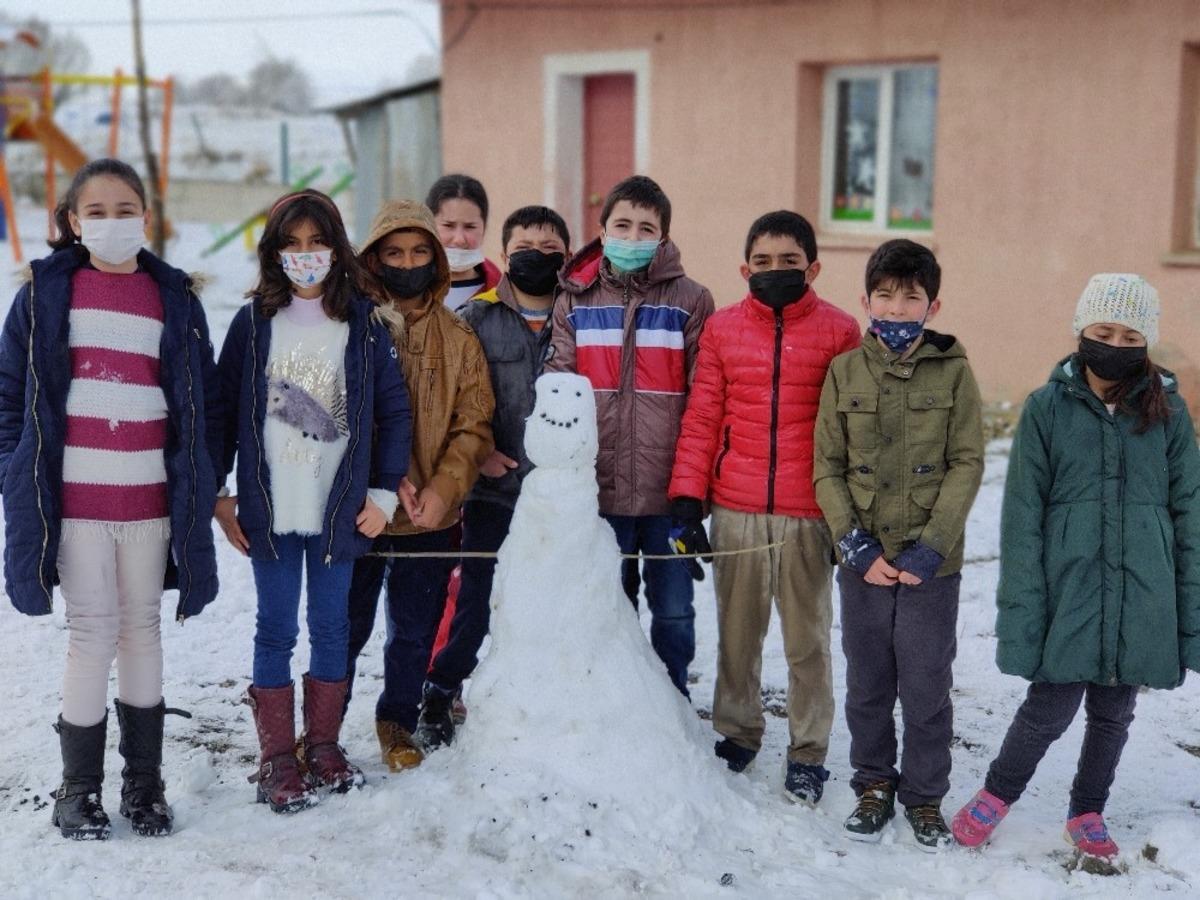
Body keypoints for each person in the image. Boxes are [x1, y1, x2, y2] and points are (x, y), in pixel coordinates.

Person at [0, 158, 220, 840]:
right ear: (72, 222)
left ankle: (144, 787)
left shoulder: (174, 296)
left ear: (146, 217)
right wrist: (18, 468)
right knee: (92, 635)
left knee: (143, 631)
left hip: (151, 501)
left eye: (125, 209)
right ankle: (79, 790)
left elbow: (199, 402)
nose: (112, 223)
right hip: (76, 504)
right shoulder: (43, 296)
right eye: (96, 212)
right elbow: (10, 396)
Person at [951, 273, 1200, 863]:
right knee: (1048, 707)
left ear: (1146, 341)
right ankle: (997, 792)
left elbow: (1188, 509)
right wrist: (1025, 604)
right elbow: (1022, 514)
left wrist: (1185, 607)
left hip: (1142, 588)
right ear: (1081, 331)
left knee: (1114, 713)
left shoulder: (1168, 412)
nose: (1114, 342)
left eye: (1129, 333)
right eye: (1103, 330)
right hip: (1070, 588)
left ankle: (1087, 809)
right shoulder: (1045, 409)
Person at [215, 189, 412, 814]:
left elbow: (393, 414)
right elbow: (221, 412)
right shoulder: (252, 324)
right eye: (291, 245)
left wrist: (382, 494)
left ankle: (322, 745)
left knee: (332, 626)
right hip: (271, 509)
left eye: (317, 243)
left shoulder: (364, 322)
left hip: (340, 511)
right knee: (275, 628)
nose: (305, 256)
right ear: (274, 253)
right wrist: (221, 495)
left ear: (337, 249)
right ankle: (276, 758)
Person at [669, 211, 860, 805]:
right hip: (737, 508)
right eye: (765, 262)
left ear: (814, 268)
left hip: (809, 512)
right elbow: (703, 417)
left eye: (791, 262)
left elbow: (852, 428)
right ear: (744, 268)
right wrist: (685, 499)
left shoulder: (840, 332)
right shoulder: (723, 331)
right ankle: (738, 730)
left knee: (807, 642)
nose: (776, 271)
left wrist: (848, 514)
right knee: (737, 634)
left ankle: (808, 751)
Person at [813, 239, 984, 847]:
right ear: (866, 299)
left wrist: (932, 546)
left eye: (910, 296)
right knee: (868, 681)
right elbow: (826, 467)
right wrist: (852, 544)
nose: (897, 306)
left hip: (930, 568)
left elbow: (967, 461)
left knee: (925, 684)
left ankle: (924, 795)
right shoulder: (844, 372)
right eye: (885, 294)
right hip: (864, 561)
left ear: (932, 306)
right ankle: (874, 784)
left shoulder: (955, 371)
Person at [546, 175, 714, 696]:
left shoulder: (691, 300)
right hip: (600, 492)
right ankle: (613, 701)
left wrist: (692, 490)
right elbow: (558, 390)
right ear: (602, 229)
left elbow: (706, 399)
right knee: (606, 605)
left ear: (663, 238)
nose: (633, 236)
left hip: (668, 493)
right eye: (623, 225)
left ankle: (672, 698)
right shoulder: (574, 300)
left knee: (673, 613)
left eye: (647, 228)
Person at [345, 199, 494, 770]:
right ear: (373, 260)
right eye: (393, 253)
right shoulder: (349, 325)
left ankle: (396, 721)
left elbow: (474, 422)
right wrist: (376, 480)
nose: (407, 263)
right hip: (357, 510)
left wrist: (445, 489)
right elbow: (330, 409)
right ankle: (324, 727)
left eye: (418, 252)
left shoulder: (459, 338)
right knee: (345, 626)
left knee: (414, 631)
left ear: (434, 259)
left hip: (430, 517)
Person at [421, 205, 570, 747]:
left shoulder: (575, 316)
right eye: (526, 247)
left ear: (566, 258)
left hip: (557, 496)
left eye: (551, 249)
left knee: (552, 602)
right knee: (477, 602)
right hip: (495, 492)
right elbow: (455, 401)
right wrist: (479, 452)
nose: (538, 256)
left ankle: (540, 698)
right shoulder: (476, 319)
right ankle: (438, 690)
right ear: (505, 256)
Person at [426, 174, 501, 312]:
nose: (459, 239)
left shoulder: (504, 298)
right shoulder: (405, 293)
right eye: (448, 226)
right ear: (428, 225)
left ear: (484, 229)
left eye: (470, 227)